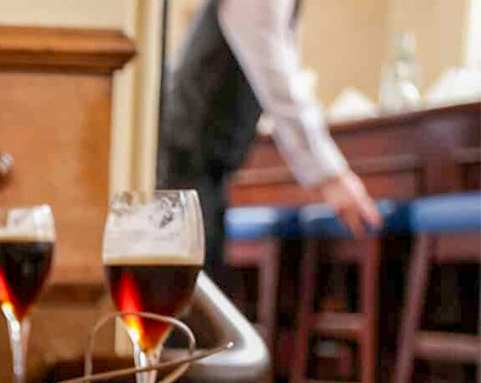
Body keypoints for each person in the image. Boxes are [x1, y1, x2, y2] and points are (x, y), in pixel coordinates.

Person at [160, 0, 383, 284]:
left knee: (203, 288)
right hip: (185, 154)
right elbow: (275, 74)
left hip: (205, 160)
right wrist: (331, 175)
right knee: (189, 291)